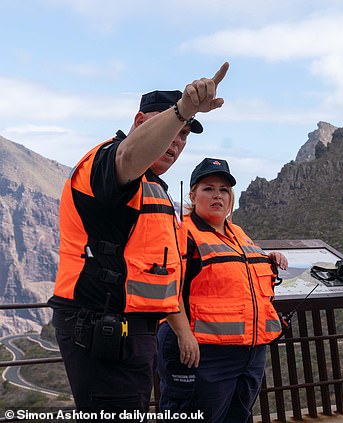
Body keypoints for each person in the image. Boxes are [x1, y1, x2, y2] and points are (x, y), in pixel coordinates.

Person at [47, 62, 230, 417]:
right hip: (100, 328)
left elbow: (161, 272)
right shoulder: (108, 161)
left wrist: (180, 329)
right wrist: (183, 111)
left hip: (132, 330)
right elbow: (129, 156)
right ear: (140, 122)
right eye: (171, 129)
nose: (175, 142)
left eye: (183, 136)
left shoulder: (154, 188)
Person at [157, 157, 288, 422]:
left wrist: (267, 258)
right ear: (193, 195)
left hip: (248, 354)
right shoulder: (181, 233)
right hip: (200, 353)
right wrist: (184, 335)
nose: (217, 195)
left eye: (224, 190)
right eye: (209, 188)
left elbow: (239, 274)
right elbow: (165, 286)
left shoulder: (238, 233)